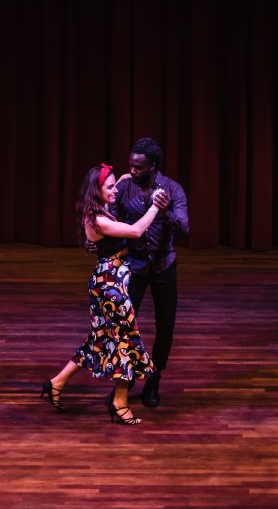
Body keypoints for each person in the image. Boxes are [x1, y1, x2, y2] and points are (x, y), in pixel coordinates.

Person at [41, 163, 163, 425]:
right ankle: (120, 404)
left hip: (106, 281)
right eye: (109, 187)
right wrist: (154, 206)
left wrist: (121, 179)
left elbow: (113, 189)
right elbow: (135, 231)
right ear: (96, 191)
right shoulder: (97, 219)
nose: (115, 191)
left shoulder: (99, 210)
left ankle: (56, 383)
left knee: (99, 341)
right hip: (110, 287)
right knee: (124, 342)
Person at [113, 137, 189, 407]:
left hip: (163, 266)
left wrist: (166, 211)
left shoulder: (172, 189)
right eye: (131, 165)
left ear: (153, 166)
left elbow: (184, 228)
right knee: (124, 325)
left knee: (165, 326)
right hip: (133, 265)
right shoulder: (124, 188)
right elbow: (110, 220)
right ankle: (128, 376)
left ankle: (154, 380)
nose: (132, 171)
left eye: (138, 168)